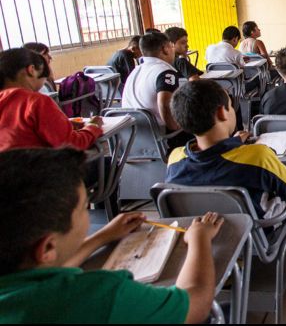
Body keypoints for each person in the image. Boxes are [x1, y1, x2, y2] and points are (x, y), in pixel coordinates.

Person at [0, 147, 223, 324]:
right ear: (47, 248)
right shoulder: (100, 295)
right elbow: (197, 304)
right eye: (84, 207)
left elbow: (42, 267)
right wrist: (199, 239)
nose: (87, 211)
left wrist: (102, 237)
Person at [167, 79, 286, 220]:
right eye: (230, 105)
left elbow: (213, 158)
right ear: (222, 113)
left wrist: (234, 141)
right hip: (257, 233)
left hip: (204, 232)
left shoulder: (174, 159)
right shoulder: (257, 155)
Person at [0, 48, 103, 152]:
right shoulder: (36, 102)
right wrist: (93, 127)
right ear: (31, 70)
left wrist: (62, 124)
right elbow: (73, 144)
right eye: (44, 79)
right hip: (40, 166)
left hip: (8, 166)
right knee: (105, 160)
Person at [122, 32, 190, 149]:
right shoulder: (165, 72)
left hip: (132, 136)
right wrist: (175, 127)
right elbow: (165, 104)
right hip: (160, 136)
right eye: (171, 46)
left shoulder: (136, 71)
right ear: (165, 49)